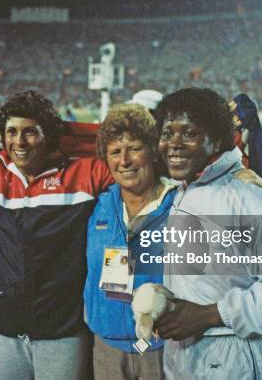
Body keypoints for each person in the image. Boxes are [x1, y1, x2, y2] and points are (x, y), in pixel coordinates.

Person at [0, 90, 114, 380]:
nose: (19, 142)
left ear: (47, 136)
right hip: (1, 333)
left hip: (62, 334)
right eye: (11, 132)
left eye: (30, 132)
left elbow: (134, 166)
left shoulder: (84, 174)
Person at [153, 87, 262, 379]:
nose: (174, 144)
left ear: (215, 139)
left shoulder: (251, 200)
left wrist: (211, 314)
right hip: (186, 356)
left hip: (238, 358)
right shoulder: (183, 193)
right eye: (167, 133)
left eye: (188, 133)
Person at [84, 104, 176, 380]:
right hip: (107, 347)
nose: (124, 160)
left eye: (134, 148)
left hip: (162, 347)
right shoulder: (99, 205)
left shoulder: (180, 206)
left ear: (152, 150)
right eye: (115, 152)